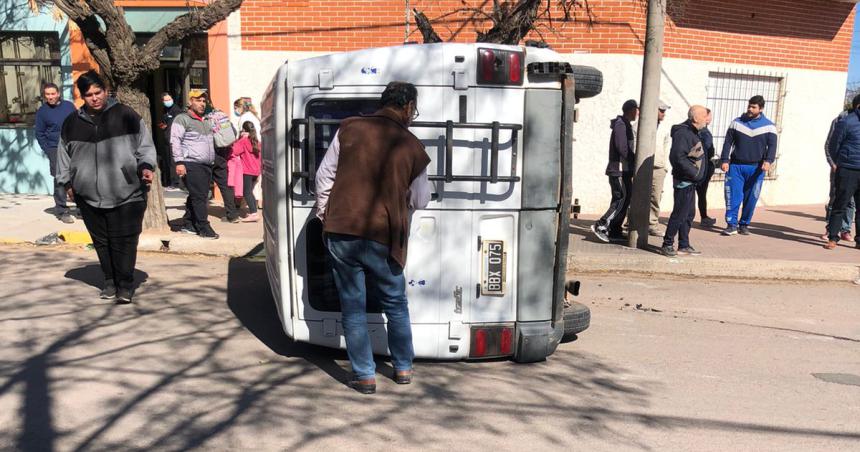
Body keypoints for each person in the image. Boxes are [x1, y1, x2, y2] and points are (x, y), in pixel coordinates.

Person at [315, 81, 431, 394]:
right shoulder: (411, 146)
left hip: (342, 230)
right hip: (384, 235)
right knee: (395, 304)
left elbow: (323, 178)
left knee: (353, 307)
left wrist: (327, 215)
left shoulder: (350, 128)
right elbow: (422, 199)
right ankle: (403, 368)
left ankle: (364, 375)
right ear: (408, 107)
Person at [56, 71, 156, 303]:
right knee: (102, 241)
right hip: (88, 194)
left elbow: (146, 147)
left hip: (128, 191)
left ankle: (125, 284)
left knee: (125, 240)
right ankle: (110, 281)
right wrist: (67, 183)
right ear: (82, 96)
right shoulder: (71, 123)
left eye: (98, 92)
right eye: (88, 94)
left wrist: (146, 166)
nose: (94, 98)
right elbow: (63, 156)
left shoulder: (126, 115)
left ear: (105, 90)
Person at [719, 95, 778, 236]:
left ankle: (744, 224)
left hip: (757, 168)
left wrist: (768, 161)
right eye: (749, 106)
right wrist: (724, 160)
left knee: (751, 198)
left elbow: (772, 146)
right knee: (733, 196)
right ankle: (731, 224)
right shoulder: (736, 123)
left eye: (754, 107)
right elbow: (728, 142)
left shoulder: (769, 126)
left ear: (761, 109)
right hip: (736, 167)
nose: (750, 109)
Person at [170, 89, 220, 239]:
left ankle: (189, 224)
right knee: (200, 197)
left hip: (206, 164)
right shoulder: (182, 119)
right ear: (190, 101)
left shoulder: (205, 120)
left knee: (197, 195)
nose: (202, 103)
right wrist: (179, 162)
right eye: (198, 100)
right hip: (191, 164)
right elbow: (175, 141)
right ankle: (203, 226)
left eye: (204, 101)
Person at [661, 105, 709, 257]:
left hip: (691, 181)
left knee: (689, 214)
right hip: (685, 181)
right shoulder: (683, 133)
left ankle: (684, 244)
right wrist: (694, 174)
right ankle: (667, 243)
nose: (706, 119)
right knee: (679, 213)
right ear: (695, 118)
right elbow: (677, 158)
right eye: (704, 116)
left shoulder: (693, 132)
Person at [591, 99, 638, 242]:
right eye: (637, 109)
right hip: (618, 170)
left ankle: (615, 230)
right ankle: (601, 225)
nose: (638, 113)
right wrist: (633, 158)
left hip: (624, 170)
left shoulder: (626, 124)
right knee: (621, 199)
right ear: (631, 110)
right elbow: (621, 147)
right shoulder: (621, 125)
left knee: (624, 198)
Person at [34, 82, 77, 224]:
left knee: (78, 176)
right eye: (47, 94)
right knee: (60, 179)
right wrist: (49, 150)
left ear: (58, 94)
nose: (50, 97)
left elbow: (78, 122)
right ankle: (62, 210)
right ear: (44, 96)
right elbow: (39, 134)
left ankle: (82, 208)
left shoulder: (69, 106)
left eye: (53, 94)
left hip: (73, 146)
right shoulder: (42, 111)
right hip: (54, 148)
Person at [824, 98, 860, 250]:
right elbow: (833, 145)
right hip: (847, 169)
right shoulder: (847, 122)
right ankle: (833, 237)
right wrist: (836, 164)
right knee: (840, 204)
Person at [648, 101, 672, 237]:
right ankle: (631, 224)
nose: (663, 114)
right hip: (642, 167)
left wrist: (664, 167)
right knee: (637, 196)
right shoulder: (639, 126)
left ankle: (652, 224)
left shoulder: (664, 130)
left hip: (659, 168)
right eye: (661, 111)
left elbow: (665, 148)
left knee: (656, 197)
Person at [231, 121, 262, 222]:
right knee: (250, 191)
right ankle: (254, 212)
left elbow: (235, 151)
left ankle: (254, 213)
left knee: (246, 192)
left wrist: (240, 139)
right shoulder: (256, 141)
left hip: (247, 170)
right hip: (256, 171)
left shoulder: (244, 141)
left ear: (244, 130)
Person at [158, 92, 185, 189]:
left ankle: (176, 183)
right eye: (166, 100)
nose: (168, 101)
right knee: (168, 161)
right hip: (166, 138)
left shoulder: (176, 110)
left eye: (169, 99)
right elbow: (164, 122)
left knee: (174, 161)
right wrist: (163, 125)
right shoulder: (166, 110)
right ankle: (169, 181)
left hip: (174, 139)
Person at [696, 108, 717, 227]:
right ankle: (703, 217)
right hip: (704, 166)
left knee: (700, 193)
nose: (710, 118)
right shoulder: (703, 131)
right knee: (701, 192)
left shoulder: (698, 130)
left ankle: (704, 216)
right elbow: (708, 148)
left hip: (701, 165)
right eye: (708, 116)